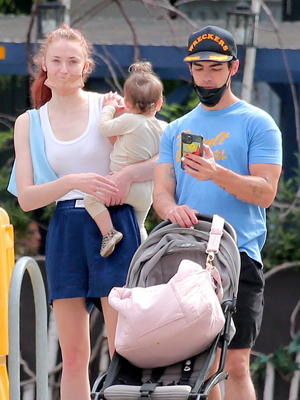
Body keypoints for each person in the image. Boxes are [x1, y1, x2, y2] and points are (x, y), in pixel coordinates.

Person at [8, 24, 157, 400]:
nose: (63, 69)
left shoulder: (107, 106)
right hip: (66, 229)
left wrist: (123, 175)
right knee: (74, 355)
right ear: (43, 64)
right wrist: (74, 181)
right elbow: (27, 199)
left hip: (115, 223)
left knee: (123, 348)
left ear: (86, 66)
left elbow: (161, 152)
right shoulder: (30, 122)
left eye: (72, 62)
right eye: (55, 61)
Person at [153, 25, 282, 400]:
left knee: (236, 363)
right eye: (198, 68)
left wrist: (217, 174)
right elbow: (161, 193)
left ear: (233, 68)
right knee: (201, 366)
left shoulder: (258, 123)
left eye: (214, 67)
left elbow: (266, 193)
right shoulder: (176, 130)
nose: (206, 76)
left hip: (238, 255)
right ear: (189, 70)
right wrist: (171, 209)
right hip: (186, 256)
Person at [84, 61, 166, 257]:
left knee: (91, 200)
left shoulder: (129, 120)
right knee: (139, 224)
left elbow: (104, 127)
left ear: (127, 103)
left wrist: (110, 107)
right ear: (160, 103)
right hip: (147, 189)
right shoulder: (163, 127)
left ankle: (109, 233)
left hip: (122, 184)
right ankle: (144, 255)